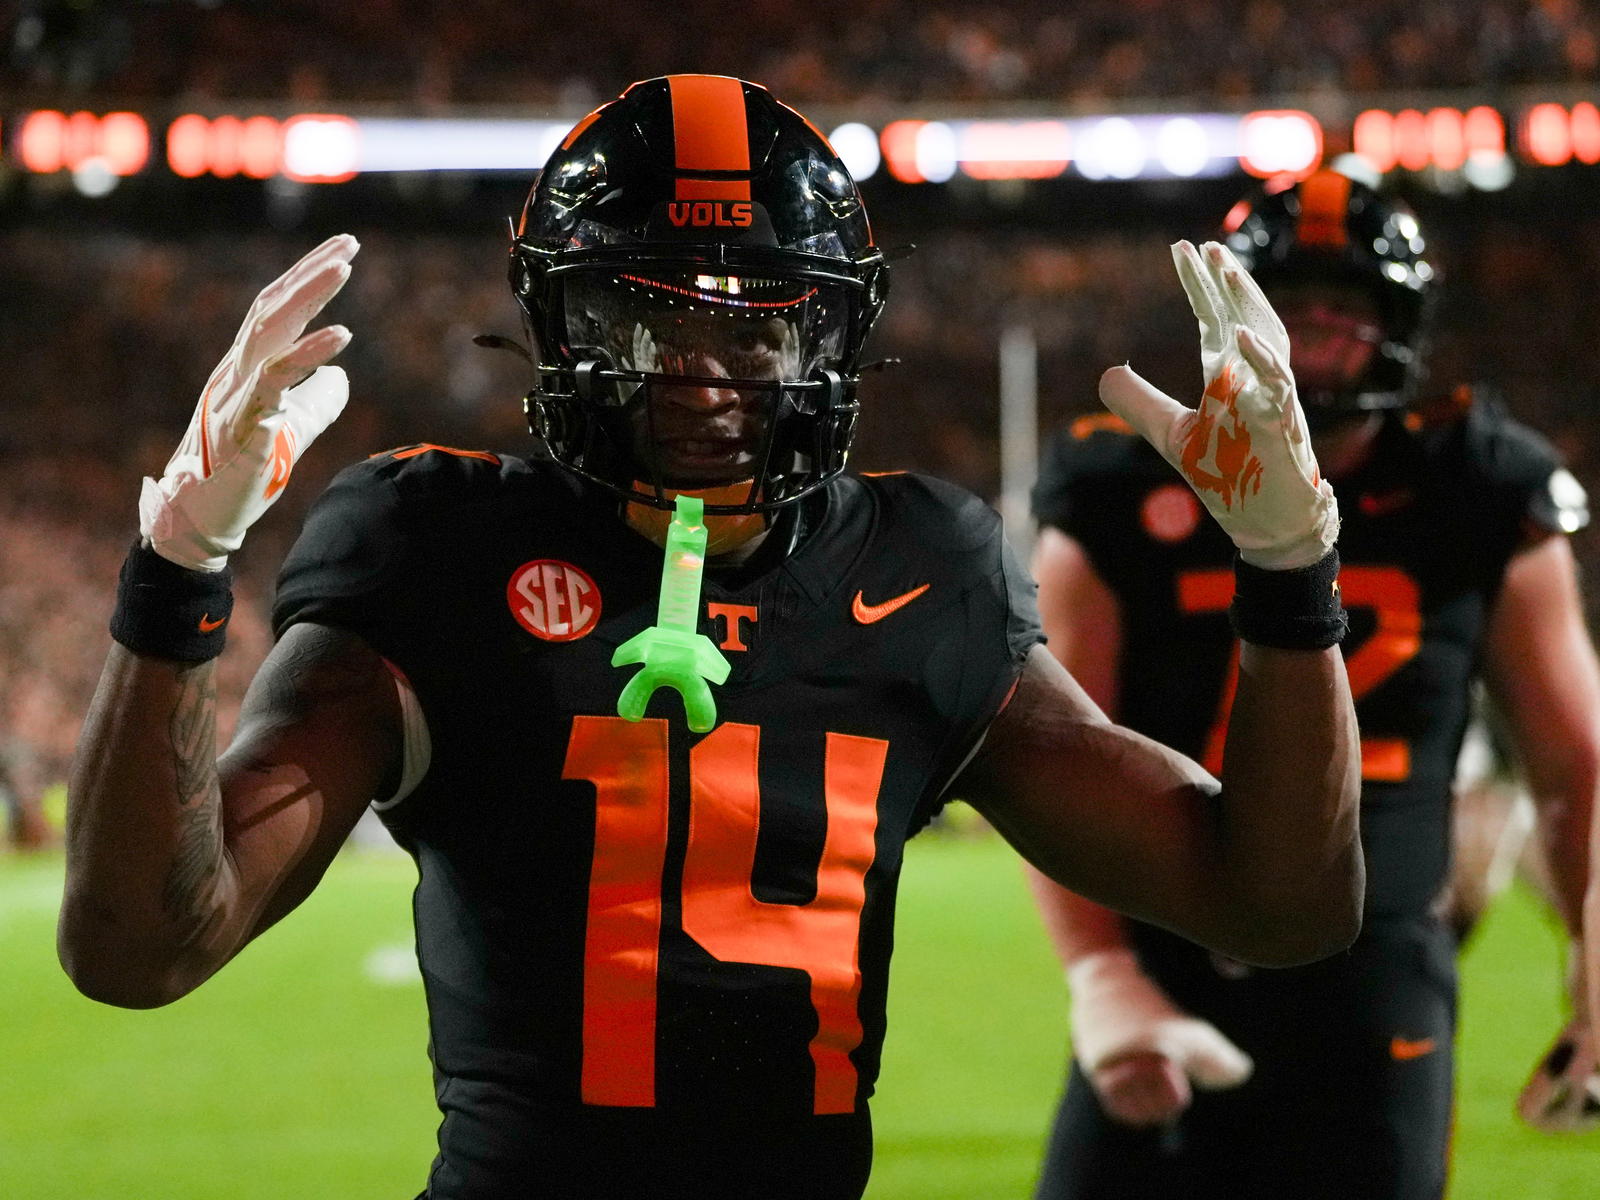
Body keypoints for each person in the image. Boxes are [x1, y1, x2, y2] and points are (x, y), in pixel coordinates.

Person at [58, 76, 1362, 1200]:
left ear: (833, 332)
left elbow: (1280, 903)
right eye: (654, 319)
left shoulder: (924, 572)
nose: (706, 376)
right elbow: (141, 948)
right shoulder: (437, 552)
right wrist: (177, 571)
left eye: (759, 323)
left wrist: (1289, 572)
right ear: (560, 323)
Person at [1028, 166, 1600, 1200]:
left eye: (1348, 312)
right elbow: (1050, 748)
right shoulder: (1119, 484)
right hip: (1167, 944)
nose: (1318, 337)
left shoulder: (1477, 480)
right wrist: (1100, 973)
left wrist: (1593, 946)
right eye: (1292, 310)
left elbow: (1577, 764)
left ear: (1399, 327)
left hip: (1374, 966)